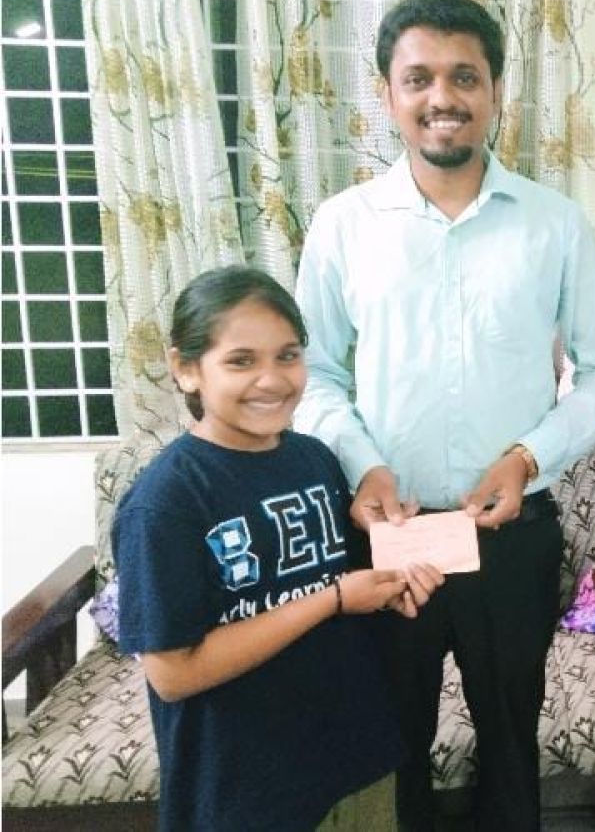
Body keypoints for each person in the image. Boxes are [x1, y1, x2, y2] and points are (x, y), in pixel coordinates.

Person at [293, 0, 595, 831]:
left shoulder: (554, 225)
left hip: (510, 536)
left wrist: (527, 455)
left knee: (511, 742)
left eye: (464, 76)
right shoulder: (343, 226)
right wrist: (363, 466)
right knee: (389, 744)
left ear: (496, 91)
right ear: (387, 94)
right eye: (419, 78)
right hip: (391, 535)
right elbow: (315, 374)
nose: (442, 96)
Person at [115, 265, 444, 832]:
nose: (272, 380)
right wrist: (333, 599)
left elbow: (341, 586)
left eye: (288, 356)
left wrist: (391, 579)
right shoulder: (166, 501)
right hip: (249, 790)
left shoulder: (314, 459)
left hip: (357, 760)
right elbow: (173, 672)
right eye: (241, 361)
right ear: (186, 369)